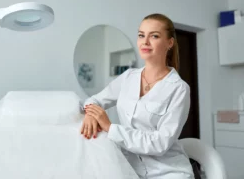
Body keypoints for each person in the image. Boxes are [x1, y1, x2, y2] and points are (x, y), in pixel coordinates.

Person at [80, 13, 195, 179]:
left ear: (169, 43)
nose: (145, 42)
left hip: (168, 173)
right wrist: (91, 113)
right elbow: (95, 100)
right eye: (141, 35)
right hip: (131, 171)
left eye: (154, 36)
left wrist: (110, 128)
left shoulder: (179, 89)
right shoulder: (128, 77)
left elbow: (160, 143)